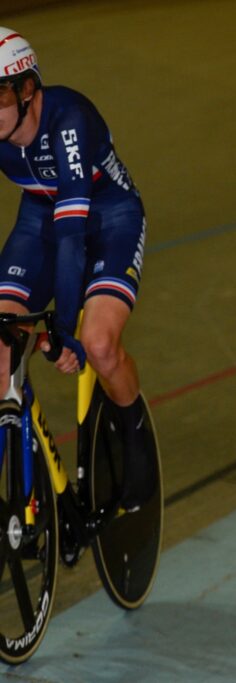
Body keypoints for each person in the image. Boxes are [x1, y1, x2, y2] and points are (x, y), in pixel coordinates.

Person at [0, 28, 154, 510]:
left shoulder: (68, 119)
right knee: (2, 339)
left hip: (110, 218)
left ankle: (135, 442)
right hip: (41, 216)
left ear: (28, 90)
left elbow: (72, 239)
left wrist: (63, 330)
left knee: (99, 345)